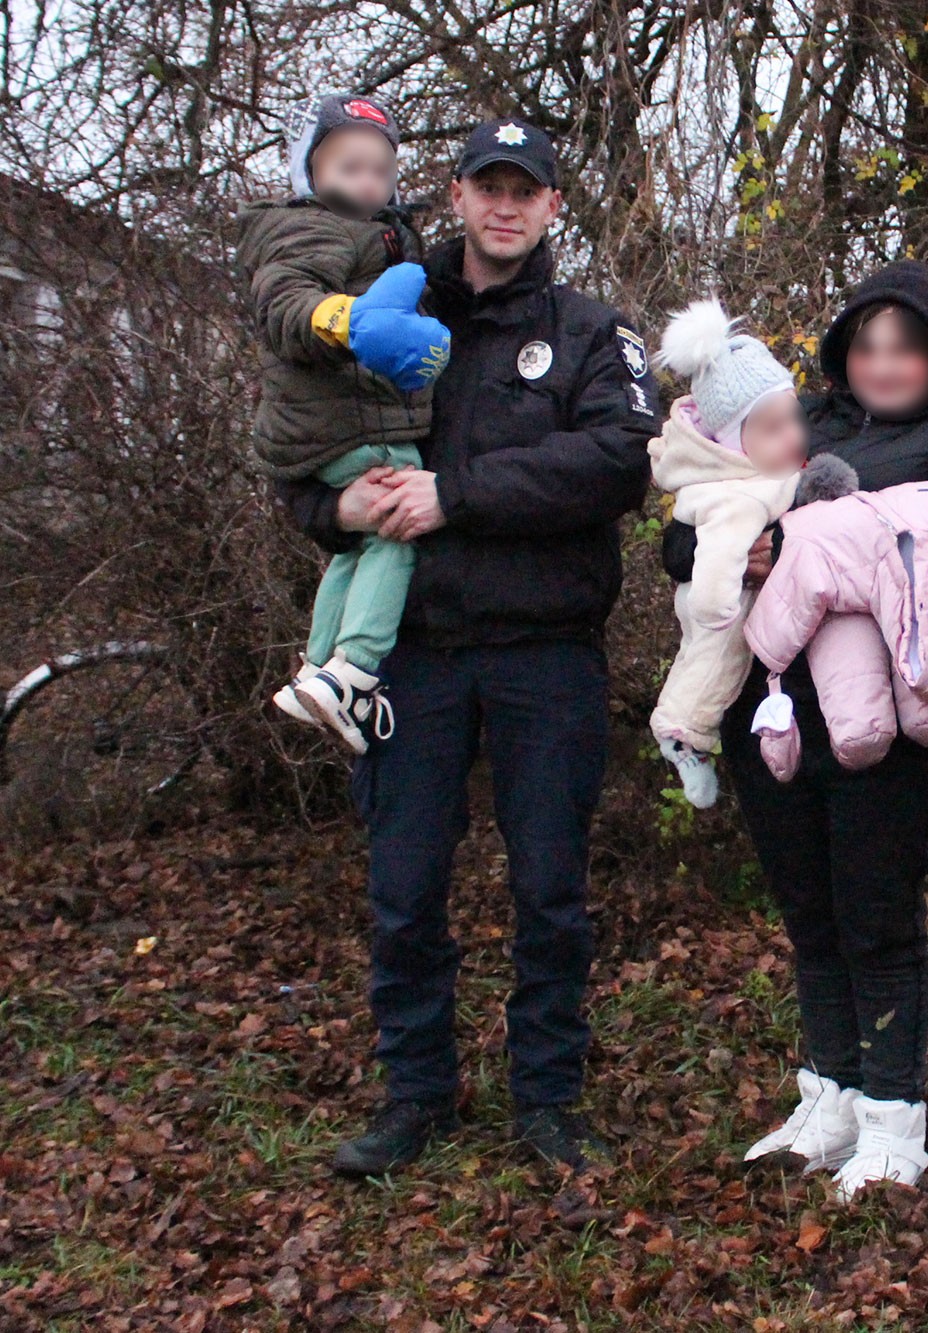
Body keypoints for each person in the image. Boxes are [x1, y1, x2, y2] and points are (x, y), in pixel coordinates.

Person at [276, 118, 656, 1176]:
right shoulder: (386, 305)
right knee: (403, 891)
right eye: (487, 185)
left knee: (550, 892)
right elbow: (303, 441)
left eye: (524, 189)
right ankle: (416, 1093)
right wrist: (330, 507)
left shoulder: (592, 331)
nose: (504, 205)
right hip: (412, 654)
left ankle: (548, 1097)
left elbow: (619, 460)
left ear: (551, 206)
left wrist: (459, 493)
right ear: (454, 194)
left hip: (547, 653)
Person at [659, 261, 928, 1199]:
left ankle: (895, 1116)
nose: (883, 365)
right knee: (809, 915)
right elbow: (689, 524)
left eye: (906, 347)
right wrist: (722, 546)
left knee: (875, 917)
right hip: (770, 711)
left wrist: (795, 537)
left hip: (888, 728)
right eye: (866, 345)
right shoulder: (802, 420)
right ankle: (833, 1096)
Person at [238, 93, 452, 753]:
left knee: (354, 547)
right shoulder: (313, 228)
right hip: (358, 424)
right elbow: (284, 301)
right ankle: (355, 670)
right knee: (397, 528)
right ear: (310, 171)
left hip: (335, 426)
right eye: (349, 168)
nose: (367, 183)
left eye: (380, 171)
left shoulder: (375, 232)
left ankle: (314, 671)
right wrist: (346, 320)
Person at [645, 298, 855, 807]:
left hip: (735, 606)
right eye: (772, 430)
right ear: (735, 443)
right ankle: (683, 734)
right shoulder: (741, 496)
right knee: (716, 665)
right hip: (720, 602)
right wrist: (717, 604)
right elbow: (718, 551)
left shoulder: (764, 473)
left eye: (793, 420)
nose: (793, 436)